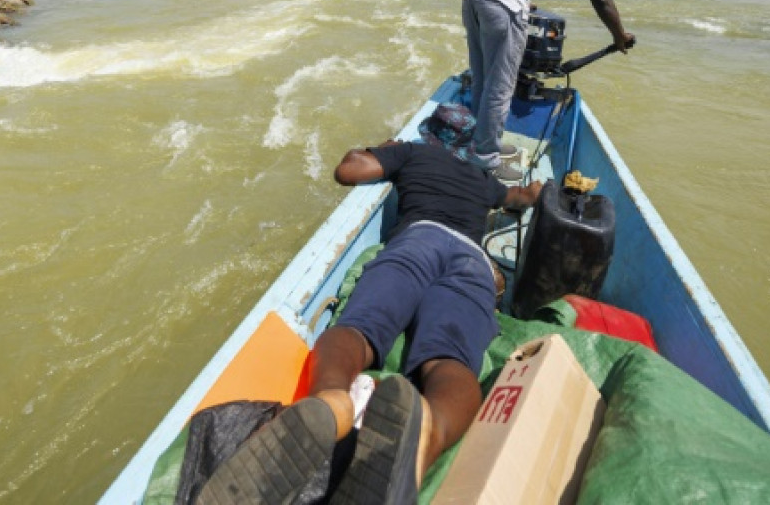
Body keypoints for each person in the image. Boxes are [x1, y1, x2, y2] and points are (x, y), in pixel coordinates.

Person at [198, 104, 542, 505]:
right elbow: (520, 197)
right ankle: (429, 437)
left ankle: (330, 402)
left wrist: (383, 148)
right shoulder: (481, 180)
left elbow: (348, 171)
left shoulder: (413, 152)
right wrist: (538, 192)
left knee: (360, 328)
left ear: (430, 136)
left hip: (419, 239)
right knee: (450, 359)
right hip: (472, 261)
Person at [463, 0, 634, 180]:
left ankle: (480, 144)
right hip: (504, 1)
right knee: (501, 86)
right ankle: (485, 159)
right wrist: (619, 35)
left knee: (482, 77)